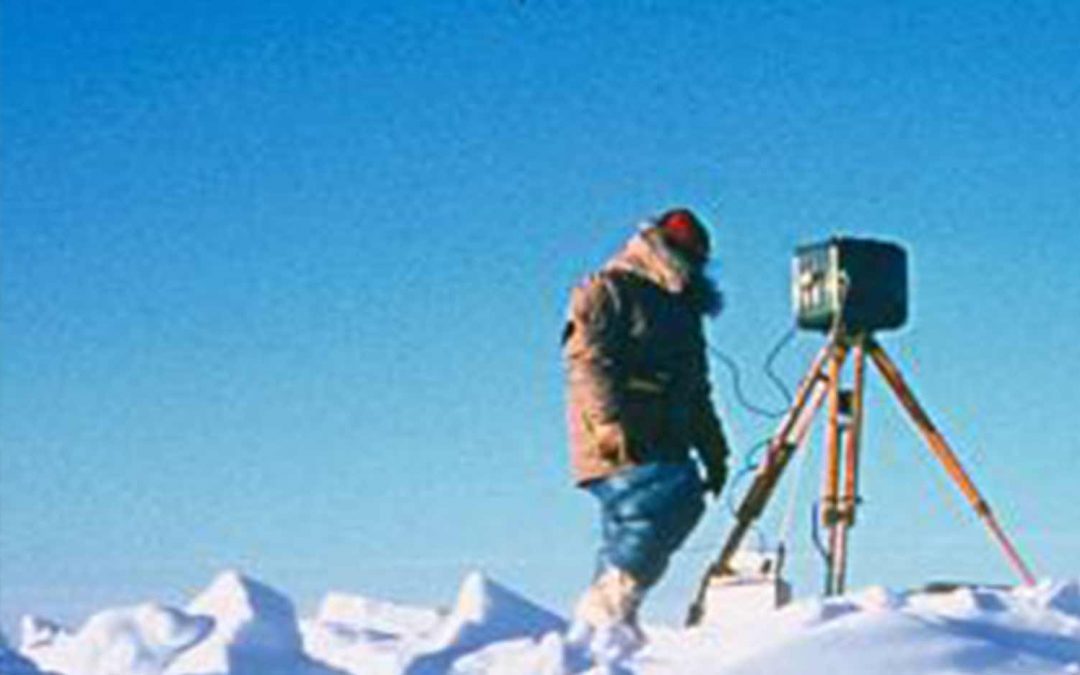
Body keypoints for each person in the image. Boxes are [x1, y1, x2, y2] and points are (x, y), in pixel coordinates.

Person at [561, 207, 730, 645]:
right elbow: (588, 361)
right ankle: (606, 610)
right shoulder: (609, 288)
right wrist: (607, 423)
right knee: (673, 499)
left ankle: (602, 636)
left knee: (632, 522)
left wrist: (713, 447)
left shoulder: (681, 309)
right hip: (620, 435)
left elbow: (696, 387)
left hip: (665, 434)